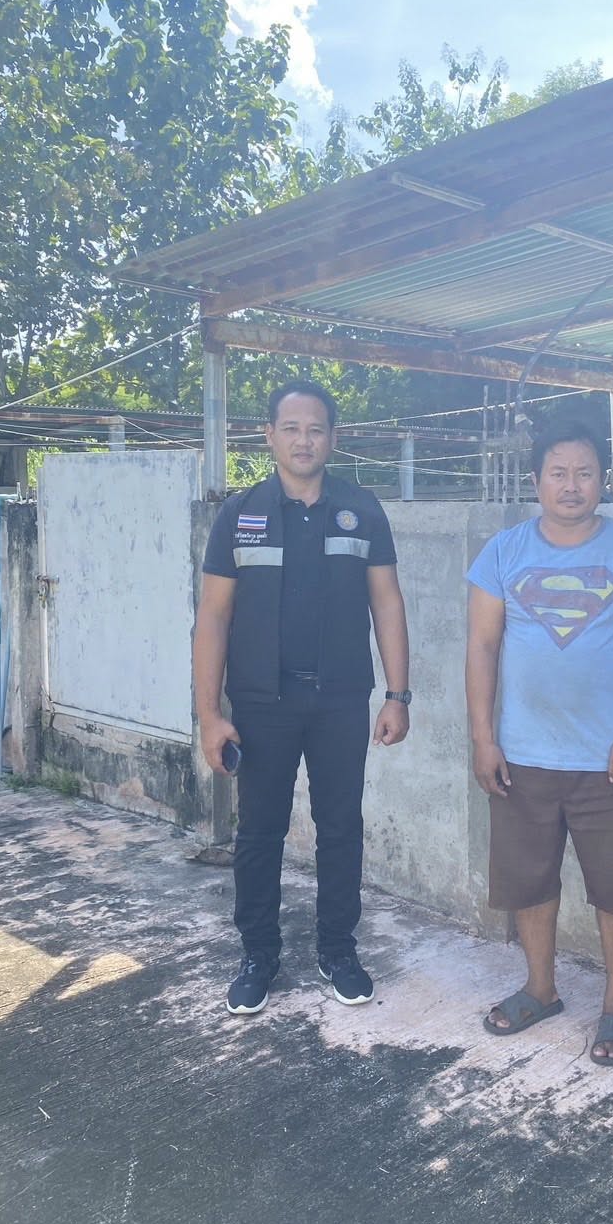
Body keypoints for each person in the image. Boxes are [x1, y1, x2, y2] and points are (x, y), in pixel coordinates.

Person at [194, 379, 411, 1015]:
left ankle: (338, 951)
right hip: (262, 703)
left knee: (340, 827)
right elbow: (213, 617)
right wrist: (209, 715)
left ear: (333, 438)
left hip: (341, 700)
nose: (303, 440)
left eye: (315, 429)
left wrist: (397, 694)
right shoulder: (240, 515)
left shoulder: (362, 510)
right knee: (259, 832)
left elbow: (387, 602)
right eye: (291, 428)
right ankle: (258, 954)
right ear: (269, 435)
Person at [466, 417, 613, 1066]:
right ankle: (541, 989)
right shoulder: (503, 552)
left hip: (606, 757)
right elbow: (482, 646)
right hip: (521, 754)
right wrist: (483, 738)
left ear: (602, 479)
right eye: (558, 473)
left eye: (585, 472)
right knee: (529, 879)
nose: (572, 485)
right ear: (536, 481)